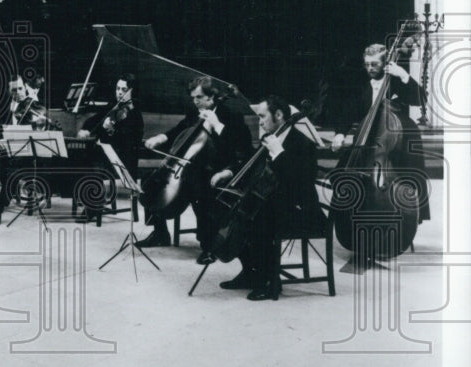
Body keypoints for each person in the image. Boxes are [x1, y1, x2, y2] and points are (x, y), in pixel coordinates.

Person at [220, 96, 325, 301]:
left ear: (278, 115)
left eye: (262, 116)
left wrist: (279, 153)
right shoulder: (270, 136)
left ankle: (270, 281)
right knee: (232, 206)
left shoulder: (303, 143)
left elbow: (301, 184)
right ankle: (250, 272)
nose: (259, 121)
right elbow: (251, 165)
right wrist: (230, 172)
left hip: (301, 209)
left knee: (260, 217)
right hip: (275, 202)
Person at [141, 76, 251, 263]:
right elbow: (179, 130)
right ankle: (160, 233)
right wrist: (161, 137)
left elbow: (239, 149)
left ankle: (208, 246)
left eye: (199, 97)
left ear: (212, 97)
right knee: (151, 181)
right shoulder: (195, 112)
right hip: (193, 166)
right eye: (193, 97)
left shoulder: (232, 115)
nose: (195, 101)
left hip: (218, 169)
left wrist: (217, 126)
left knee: (201, 191)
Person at [331, 42, 430, 225]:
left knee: (408, 174)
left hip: (397, 139)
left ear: (385, 63)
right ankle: (351, 217)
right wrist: (340, 133)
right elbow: (348, 110)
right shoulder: (362, 84)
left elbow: (421, 99)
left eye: (374, 64)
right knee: (341, 172)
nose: (369, 68)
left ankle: (406, 219)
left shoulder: (395, 80)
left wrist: (403, 75)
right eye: (367, 64)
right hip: (369, 137)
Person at [0, 74, 55, 226]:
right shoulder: (2, 107)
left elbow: (46, 130)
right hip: (5, 149)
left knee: (11, 168)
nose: (18, 92)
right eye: (13, 90)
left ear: (25, 87)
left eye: (20, 88)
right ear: (8, 91)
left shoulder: (35, 106)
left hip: (26, 152)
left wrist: (40, 126)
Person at [75, 73, 144, 222]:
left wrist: (113, 130)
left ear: (131, 91)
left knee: (94, 164)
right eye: (118, 88)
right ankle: (92, 201)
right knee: (83, 158)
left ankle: (93, 206)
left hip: (124, 159)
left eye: (123, 89)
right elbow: (96, 119)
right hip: (107, 155)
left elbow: (133, 140)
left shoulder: (134, 112)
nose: (119, 92)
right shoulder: (113, 105)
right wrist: (86, 129)